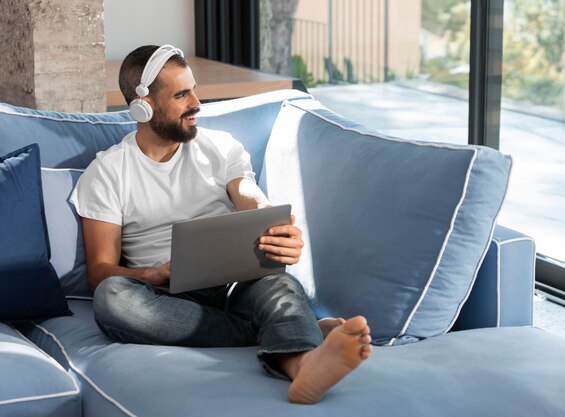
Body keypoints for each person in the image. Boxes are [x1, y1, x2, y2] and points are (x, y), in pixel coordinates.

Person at [70, 44, 372, 404]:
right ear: (143, 106)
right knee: (112, 299)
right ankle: (285, 330)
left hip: (234, 285)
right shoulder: (107, 173)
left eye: (193, 89)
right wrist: (155, 274)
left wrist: (272, 222)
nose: (196, 103)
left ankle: (304, 364)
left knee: (276, 282)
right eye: (182, 95)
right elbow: (99, 272)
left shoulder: (219, 147)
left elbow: (247, 194)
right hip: (165, 298)